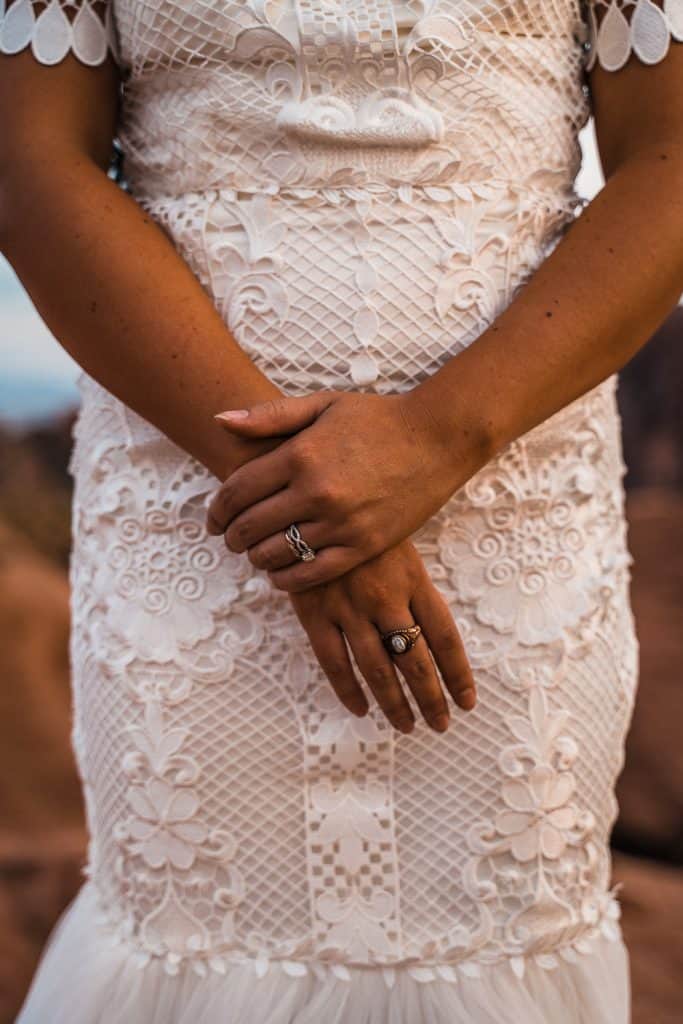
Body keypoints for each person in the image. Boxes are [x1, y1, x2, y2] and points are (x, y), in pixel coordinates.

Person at [1, 1, 681, 1021]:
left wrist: (431, 442)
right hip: (196, 528)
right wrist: (295, 501)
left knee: (501, 936)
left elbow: (668, 155)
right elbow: (30, 162)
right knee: (193, 930)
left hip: (507, 524)